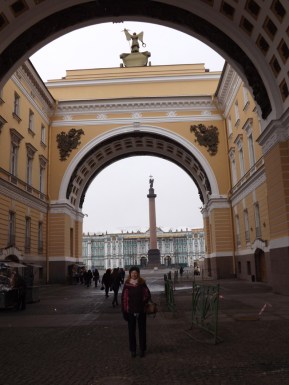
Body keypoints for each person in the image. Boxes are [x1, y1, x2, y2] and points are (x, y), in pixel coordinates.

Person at [121, 266, 151, 358]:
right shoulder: (127, 284)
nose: (134, 274)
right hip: (130, 311)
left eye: (135, 273)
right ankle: (133, 350)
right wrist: (124, 311)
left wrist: (143, 302)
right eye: (132, 273)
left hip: (141, 311)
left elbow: (148, 294)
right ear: (130, 274)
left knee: (142, 331)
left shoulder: (142, 283)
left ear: (138, 274)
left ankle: (142, 349)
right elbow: (123, 298)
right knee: (131, 332)